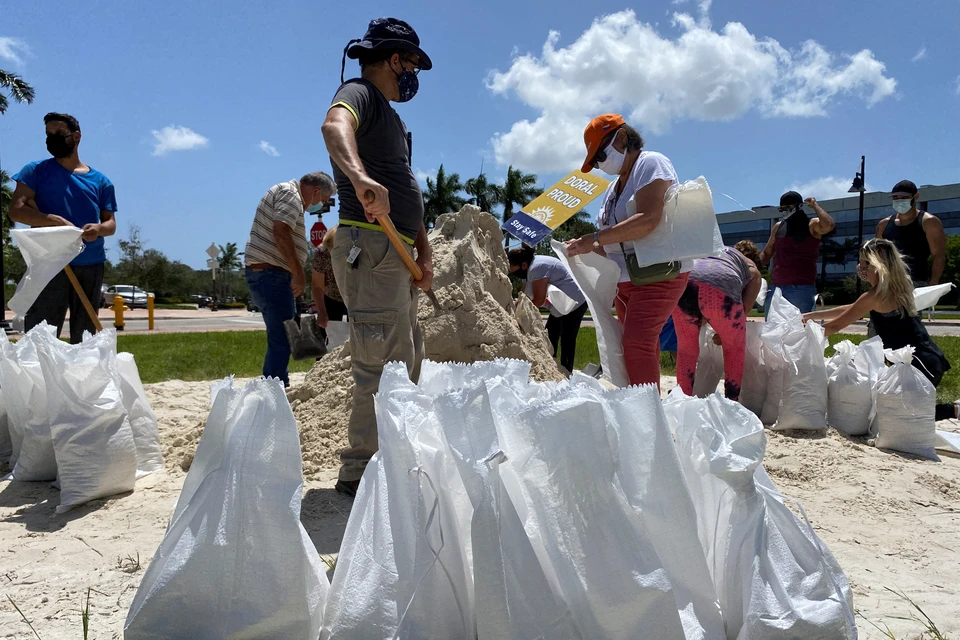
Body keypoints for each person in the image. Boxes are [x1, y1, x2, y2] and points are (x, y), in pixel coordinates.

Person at [321, 17, 433, 497]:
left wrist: (423, 250)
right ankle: (361, 473)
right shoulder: (360, 92)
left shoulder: (396, 121)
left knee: (403, 356)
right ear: (393, 59)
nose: (414, 76)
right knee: (378, 362)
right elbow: (333, 126)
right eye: (411, 65)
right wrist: (360, 179)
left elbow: (408, 190)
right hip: (370, 242)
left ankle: (389, 457)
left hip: (398, 250)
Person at [566, 114, 693, 389]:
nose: (600, 164)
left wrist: (595, 239)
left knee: (637, 342)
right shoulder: (614, 187)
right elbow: (614, 244)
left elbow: (649, 219)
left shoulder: (650, 163)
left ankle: (648, 417)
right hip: (628, 280)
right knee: (634, 346)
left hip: (658, 273)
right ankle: (639, 407)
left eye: (600, 155)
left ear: (621, 138)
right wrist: (582, 247)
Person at [803, 239, 957, 421]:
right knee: (898, 410)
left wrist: (805, 335)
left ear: (874, 266)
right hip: (929, 359)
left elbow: (836, 326)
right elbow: (851, 308)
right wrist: (810, 316)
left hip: (919, 364)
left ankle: (953, 411)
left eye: (863, 262)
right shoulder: (895, 289)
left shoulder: (875, 295)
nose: (860, 267)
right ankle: (952, 410)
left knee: (898, 414)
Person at [9, 112, 117, 343]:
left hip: (90, 263)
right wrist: (53, 221)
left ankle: (83, 377)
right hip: (49, 263)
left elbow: (110, 224)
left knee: (86, 334)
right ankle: (39, 378)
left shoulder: (101, 182)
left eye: (59, 133)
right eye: (49, 134)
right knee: (41, 333)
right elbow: (16, 210)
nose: (52, 139)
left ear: (76, 136)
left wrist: (98, 229)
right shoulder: (35, 171)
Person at [243, 173, 337, 387]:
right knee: (283, 338)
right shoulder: (291, 195)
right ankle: (274, 391)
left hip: (272, 275)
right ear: (315, 191)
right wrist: (298, 272)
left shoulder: (287, 193)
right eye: (323, 201)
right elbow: (281, 232)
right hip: (271, 275)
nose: (320, 207)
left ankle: (275, 386)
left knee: (285, 335)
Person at [671, 245, 763, 400]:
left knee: (686, 349)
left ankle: (682, 400)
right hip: (721, 287)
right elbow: (744, 308)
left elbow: (702, 287)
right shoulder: (750, 266)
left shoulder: (716, 250)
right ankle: (731, 402)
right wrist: (728, 331)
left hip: (685, 284)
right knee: (734, 348)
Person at [508, 246, 588, 374]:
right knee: (551, 333)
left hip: (574, 302)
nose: (514, 273)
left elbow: (538, 300)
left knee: (567, 337)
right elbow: (524, 294)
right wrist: (516, 305)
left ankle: (566, 371)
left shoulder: (537, 268)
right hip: (560, 304)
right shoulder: (527, 269)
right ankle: (551, 365)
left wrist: (521, 313)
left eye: (514, 270)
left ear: (523, 265)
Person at [759, 192, 835, 315]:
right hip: (776, 287)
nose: (784, 212)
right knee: (772, 330)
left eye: (787, 208)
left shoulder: (811, 225)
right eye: (781, 209)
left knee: (799, 329)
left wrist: (815, 205)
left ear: (799, 206)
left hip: (801, 288)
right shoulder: (778, 227)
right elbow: (767, 254)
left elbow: (829, 225)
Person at [876, 179, 945, 287]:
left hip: (917, 283)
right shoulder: (883, 225)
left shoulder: (929, 222)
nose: (899, 200)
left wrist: (934, 282)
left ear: (915, 196)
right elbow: (877, 255)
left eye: (904, 197)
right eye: (895, 197)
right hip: (889, 284)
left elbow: (938, 255)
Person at [311, 226, 347, 326]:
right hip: (331, 296)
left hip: (354, 295)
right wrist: (322, 312)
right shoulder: (321, 253)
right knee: (329, 331)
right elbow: (317, 286)